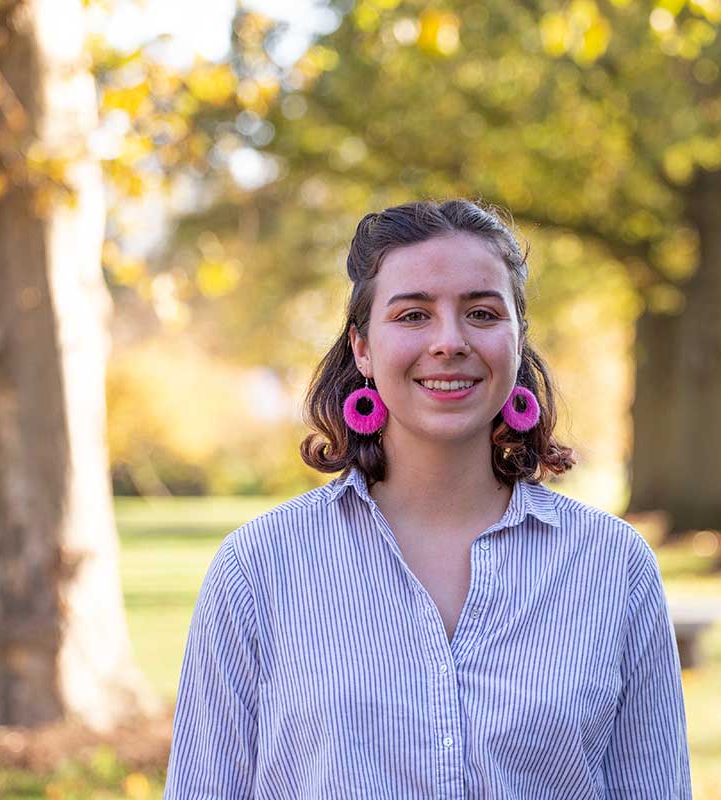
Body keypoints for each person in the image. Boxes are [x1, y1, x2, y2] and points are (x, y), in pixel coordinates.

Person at [164, 199, 692, 798]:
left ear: (517, 339)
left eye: (482, 313)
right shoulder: (257, 568)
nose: (449, 341)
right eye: (413, 314)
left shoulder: (613, 565)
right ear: (362, 347)